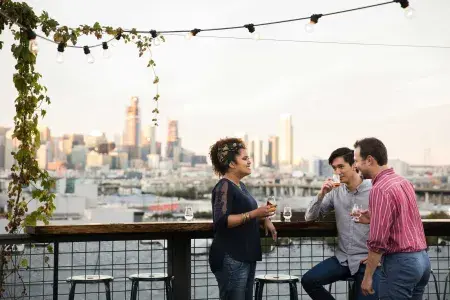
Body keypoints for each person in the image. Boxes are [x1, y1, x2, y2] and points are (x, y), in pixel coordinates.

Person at [353, 137, 430, 299]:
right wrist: (373, 217)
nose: (355, 166)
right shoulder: (403, 182)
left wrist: (367, 277)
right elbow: (403, 220)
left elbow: (377, 241)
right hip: (422, 260)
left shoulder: (379, 189)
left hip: (401, 264)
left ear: (369, 160)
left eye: (357, 161)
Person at [301, 147, 380, 300]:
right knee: (309, 281)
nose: (337, 172)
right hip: (343, 259)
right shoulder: (336, 192)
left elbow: (391, 225)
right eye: (334, 168)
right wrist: (321, 194)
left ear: (354, 166)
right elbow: (309, 217)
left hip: (368, 262)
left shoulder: (374, 191)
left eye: (341, 167)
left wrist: (380, 257)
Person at [208, 137, 277, 300]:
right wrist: (255, 213)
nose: (249, 161)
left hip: (244, 255)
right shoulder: (224, 186)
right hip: (231, 256)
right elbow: (222, 221)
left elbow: (245, 213)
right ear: (232, 164)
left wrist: (263, 219)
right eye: (245, 158)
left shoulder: (240, 186)